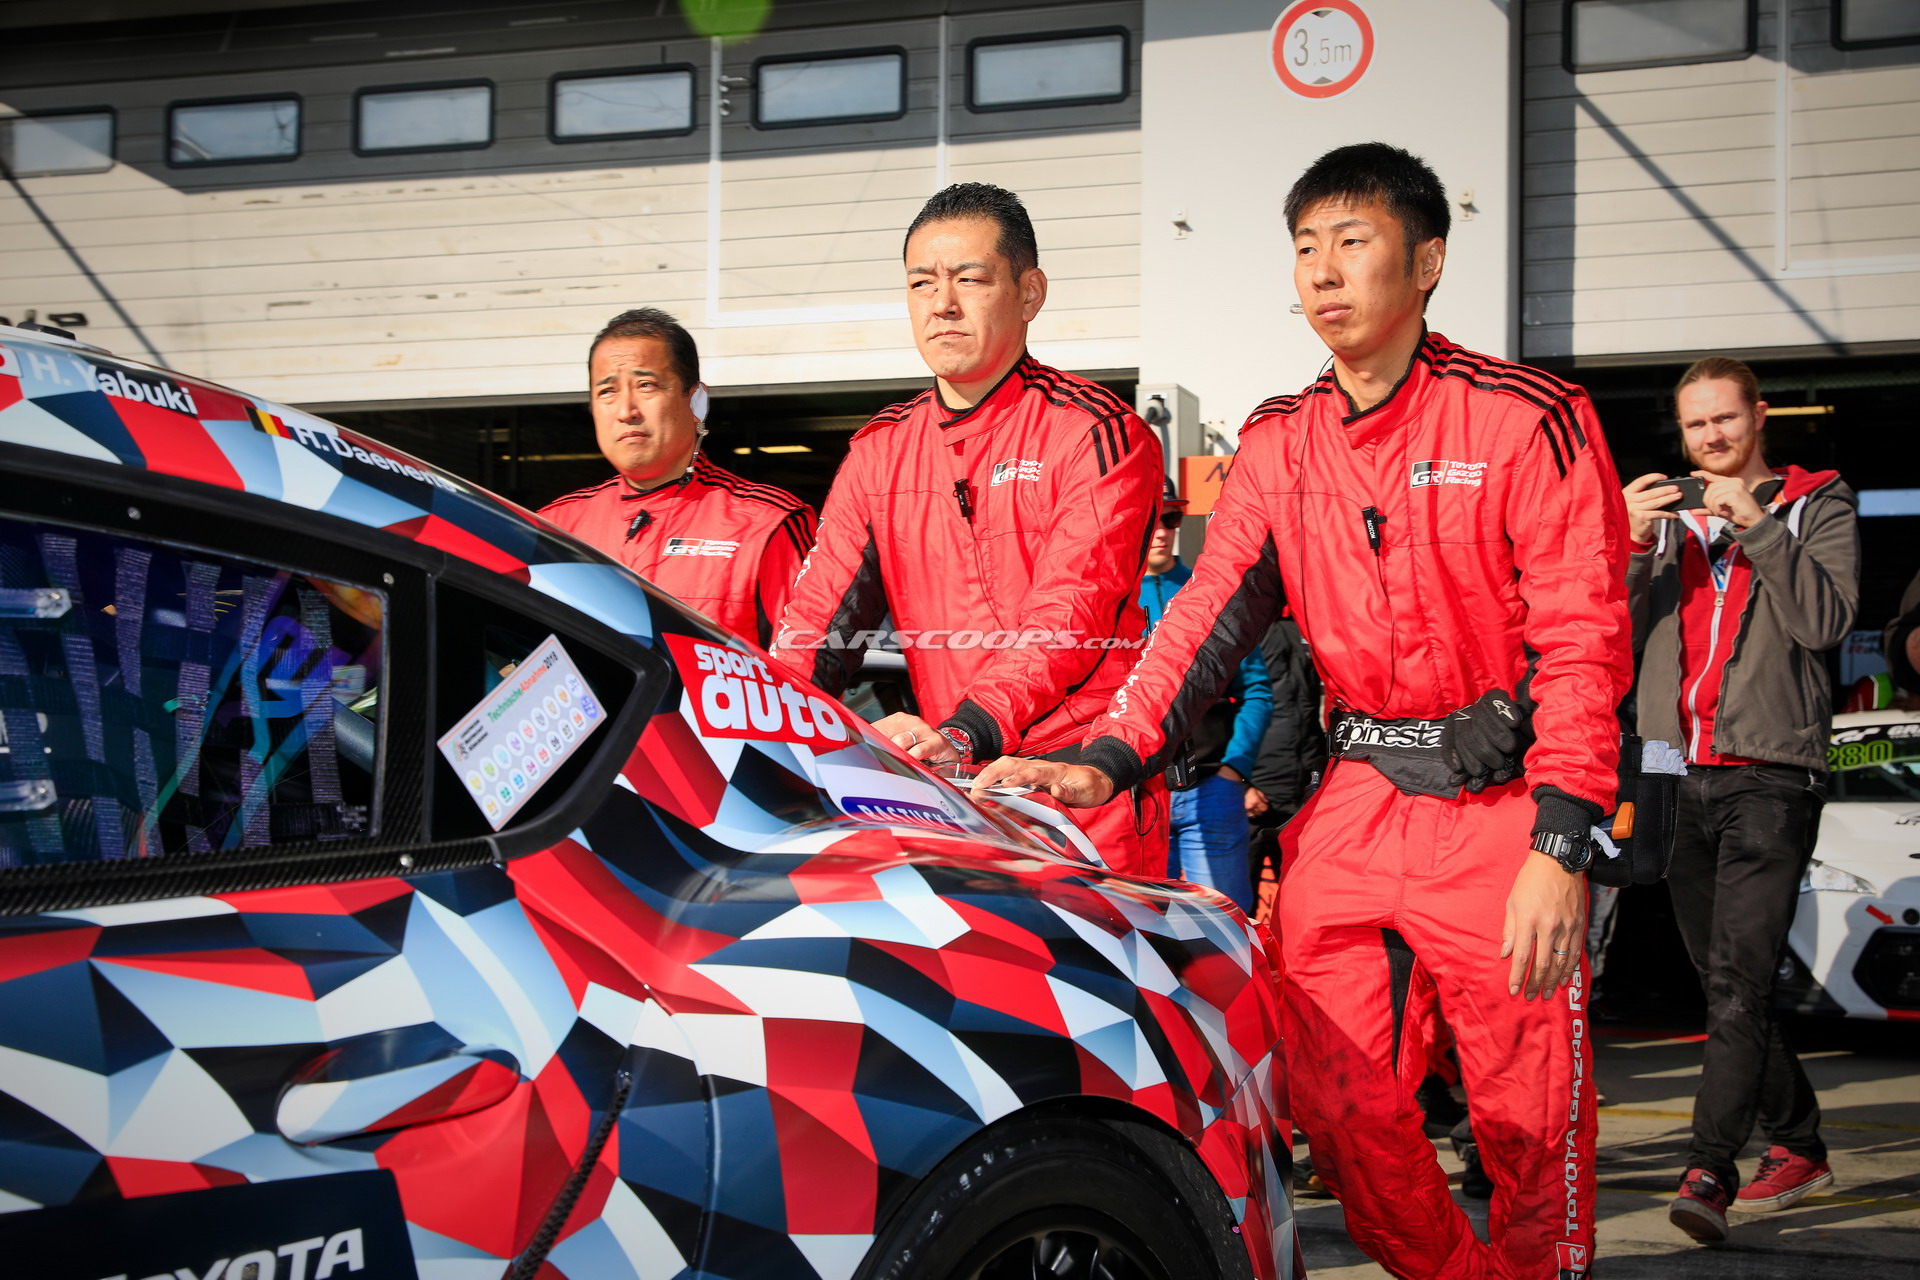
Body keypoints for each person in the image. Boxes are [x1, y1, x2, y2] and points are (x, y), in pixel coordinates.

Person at [978, 142, 1631, 1278]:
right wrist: (1111, 754)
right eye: (1306, 247)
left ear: (1427, 261)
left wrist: (1563, 839)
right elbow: (1205, 618)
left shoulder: (1530, 416)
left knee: (1530, 1116)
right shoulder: (1280, 440)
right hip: (1358, 798)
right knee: (1330, 1098)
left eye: (1355, 241)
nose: (1324, 271)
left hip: (1507, 805)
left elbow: (1584, 638)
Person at [773, 183, 1169, 876]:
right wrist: (769, 730)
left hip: (1080, 798)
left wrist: (964, 729)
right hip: (956, 797)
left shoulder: (1098, 432)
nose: (942, 303)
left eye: (969, 279)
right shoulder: (880, 451)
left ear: (1029, 292)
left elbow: (1070, 617)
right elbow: (815, 624)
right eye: (922, 282)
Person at [1621, 356, 1858, 1242]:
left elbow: (1826, 621)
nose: (1711, 438)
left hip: (1771, 770)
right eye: (1695, 426)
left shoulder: (1818, 501)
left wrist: (1757, 524)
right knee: (1726, 983)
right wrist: (1627, 541)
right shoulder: (1670, 523)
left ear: (1760, 417)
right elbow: (1606, 634)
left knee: (1737, 983)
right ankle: (1798, 1139)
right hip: (1673, 768)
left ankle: (1707, 1170)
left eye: (1725, 419)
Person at [539, 308, 815, 647]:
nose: (626, 411)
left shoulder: (767, 523)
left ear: (696, 401)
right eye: (607, 392)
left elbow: (806, 671)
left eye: (646, 385)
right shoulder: (552, 527)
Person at [1141, 492, 1272, 911]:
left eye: (1173, 518)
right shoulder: (1108, 599)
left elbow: (1258, 690)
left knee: (1226, 924)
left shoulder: (1210, 592)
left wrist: (1236, 768)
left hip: (1212, 788)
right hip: (1134, 792)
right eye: (1153, 519)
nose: (1163, 531)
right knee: (1141, 929)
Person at [1245, 613, 1325, 914]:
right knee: (1239, 905)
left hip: (1303, 788)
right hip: (1252, 792)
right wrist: (1239, 782)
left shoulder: (1310, 624)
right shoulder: (1242, 625)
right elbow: (1215, 710)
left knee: (1297, 902)